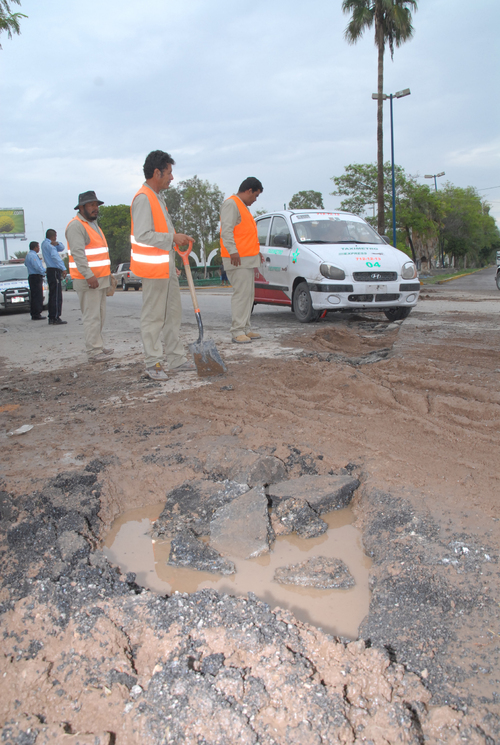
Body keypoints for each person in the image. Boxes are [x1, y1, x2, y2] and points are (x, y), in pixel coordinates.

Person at [130, 150, 195, 381]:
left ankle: (176, 359)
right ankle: (153, 363)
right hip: (153, 270)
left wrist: (175, 246)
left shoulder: (157, 198)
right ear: (156, 172)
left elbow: (163, 233)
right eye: (169, 173)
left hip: (165, 268)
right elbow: (143, 235)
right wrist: (171, 239)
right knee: (153, 317)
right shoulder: (143, 198)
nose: (172, 178)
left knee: (172, 315)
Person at [65, 191, 114, 363]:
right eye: (91, 205)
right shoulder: (76, 226)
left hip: (99, 278)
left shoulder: (93, 225)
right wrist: (88, 275)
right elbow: (78, 254)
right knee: (92, 316)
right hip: (88, 279)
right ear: (81, 207)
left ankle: (98, 345)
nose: (95, 208)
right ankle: (94, 350)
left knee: (99, 315)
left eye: (96, 205)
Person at [220, 177, 263, 343]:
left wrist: (256, 253)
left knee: (248, 295)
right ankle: (237, 331)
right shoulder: (231, 204)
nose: (255, 199)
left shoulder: (243, 207)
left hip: (247, 259)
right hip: (238, 259)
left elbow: (245, 235)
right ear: (248, 191)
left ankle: (245, 328)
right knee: (241, 295)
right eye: (255, 195)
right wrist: (232, 251)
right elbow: (227, 231)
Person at [41, 228, 67, 325]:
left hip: (50, 271)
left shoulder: (44, 244)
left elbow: (61, 247)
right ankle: (55, 316)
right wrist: (63, 268)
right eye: (55, 237)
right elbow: (56, 258)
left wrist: (56, 243)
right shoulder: (50, 246)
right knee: (56, 295)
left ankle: (52, 316)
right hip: (54, 270)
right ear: (53, 237)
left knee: (52, 294)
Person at [24, 241, 46, 320]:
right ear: (35, 247)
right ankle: (37, 313)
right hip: (36, 276)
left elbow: (26, 264)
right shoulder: (32, 255)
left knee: (34, 295)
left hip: (32, 276)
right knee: (37, 296)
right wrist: (44, 271)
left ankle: (34, 313)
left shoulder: (28, 255)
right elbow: (37, 266)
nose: (39, 248)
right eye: (38, 247)